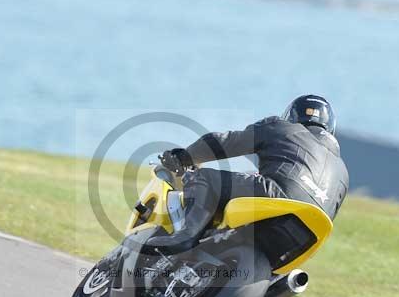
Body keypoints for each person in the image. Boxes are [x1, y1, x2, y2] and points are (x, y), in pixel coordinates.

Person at [146, 94, 349, 253]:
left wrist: (185, 157)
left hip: (276, 195)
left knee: (205, 177)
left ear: (292, 116)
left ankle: (185, 236)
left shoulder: (282, 128)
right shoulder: (342, 171)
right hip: (310, 232)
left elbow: (226, 142)